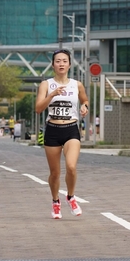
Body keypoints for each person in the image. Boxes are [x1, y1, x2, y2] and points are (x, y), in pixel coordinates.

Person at [35, 49, 89, 219]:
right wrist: (52, 94)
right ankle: (55, 201)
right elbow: (38, 109)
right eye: (58, 61)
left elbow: (85, 99)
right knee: (55, 173)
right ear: (53, 64)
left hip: (71, 129)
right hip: (52, 130)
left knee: (71, 167)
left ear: (69, 65)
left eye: (64, 61)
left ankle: (71, 197)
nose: (61, 64)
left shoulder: (76, 84)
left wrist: (84, 106)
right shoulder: (46, 84)